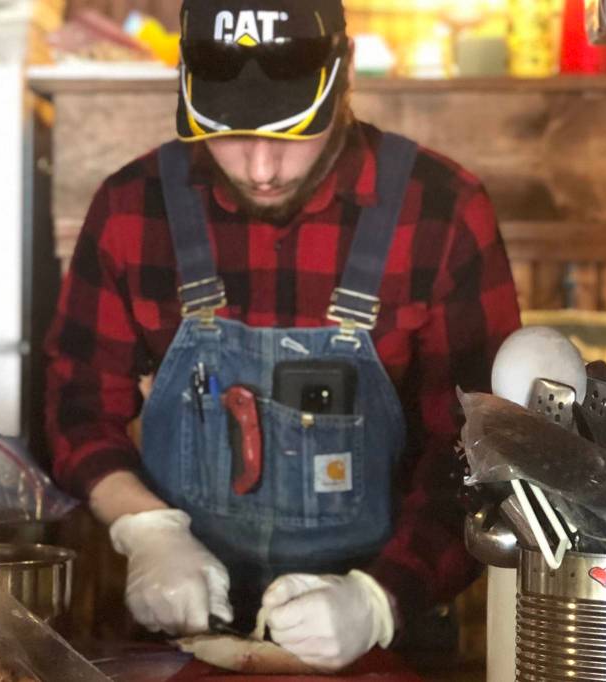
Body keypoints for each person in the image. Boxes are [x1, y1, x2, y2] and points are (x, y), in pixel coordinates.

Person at [44, 0, 521, 671]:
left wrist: (378, 599)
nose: (261, 168)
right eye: (229, 135)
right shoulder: (132, 208)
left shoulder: (440, 211)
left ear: (344, 74)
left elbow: (479, 451)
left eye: (291, 133)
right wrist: (145, 528)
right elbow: (77, 407)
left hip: (383, 643)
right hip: (175, 644)